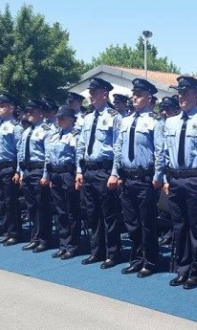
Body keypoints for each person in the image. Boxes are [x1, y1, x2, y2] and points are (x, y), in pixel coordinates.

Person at [156, 75, 197, 289]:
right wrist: (163, 177)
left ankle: (195, 271)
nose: (181, 97)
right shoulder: (170, 122)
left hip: (194, 178)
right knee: (179, 227)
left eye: (186, 93)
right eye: (179, 93)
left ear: (196, 95)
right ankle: (182, 268)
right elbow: (163, 153)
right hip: (174, 179)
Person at [112, 78, 165, 278]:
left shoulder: (155, 121)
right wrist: (116, 173)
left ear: (149, 97)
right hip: (127, 178)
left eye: (139, 94)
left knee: (147, 223)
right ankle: (136, 259)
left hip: (145, 178)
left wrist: (158, 175)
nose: (134, 97)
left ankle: (149, 261)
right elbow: (118, 149)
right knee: (132, 223)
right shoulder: (125, 121)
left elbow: (160, 151)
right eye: (134, 94)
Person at [75, 78, 123, 268]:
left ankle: (113, 253)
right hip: (89, 170)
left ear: (105, 93)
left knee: (109, 215)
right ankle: (97, 251)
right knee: (92, 213)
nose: (90, 95)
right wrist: (79, 170)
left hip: (105, 170)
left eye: (94, 92)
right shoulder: (88, 118)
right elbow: (81, 145)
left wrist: (114, 173)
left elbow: (118, 147)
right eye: (90, 92)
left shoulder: (114, 116)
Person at [17, 99, 54, 253]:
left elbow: (48, 155)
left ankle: (44, 239)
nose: (28, 114)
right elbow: (20, 153)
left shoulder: (46, 130)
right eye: (27, 111)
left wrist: (46, 175)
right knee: (31, 207)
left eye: (32, 111)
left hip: (38, 171)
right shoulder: (26, 131)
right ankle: (35, 237)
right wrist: (20, 173)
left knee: (41, 207)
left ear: (40, 112)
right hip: (27, 171)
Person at [43, 107, 80, 259]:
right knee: (60, 212)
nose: (59, 120)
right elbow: (47, 157)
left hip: (68, 174)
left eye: (63, 118)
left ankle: (73, 245)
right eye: (58, 118)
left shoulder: (75, 135)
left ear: (71, 119)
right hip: (55, 174)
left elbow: (79, 156)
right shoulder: (53, 135)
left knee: (71, 211)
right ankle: (63, 244)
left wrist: (79, 173)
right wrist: (47, 175)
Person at [0, 93, 24, 246]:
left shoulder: (16, 127)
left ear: (11, 108)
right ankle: (6, 231)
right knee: (1, 201)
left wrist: (17, 171)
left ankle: (14, 233)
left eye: (2, 106)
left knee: (11, 202)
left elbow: (19, 151)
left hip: (9, 166)